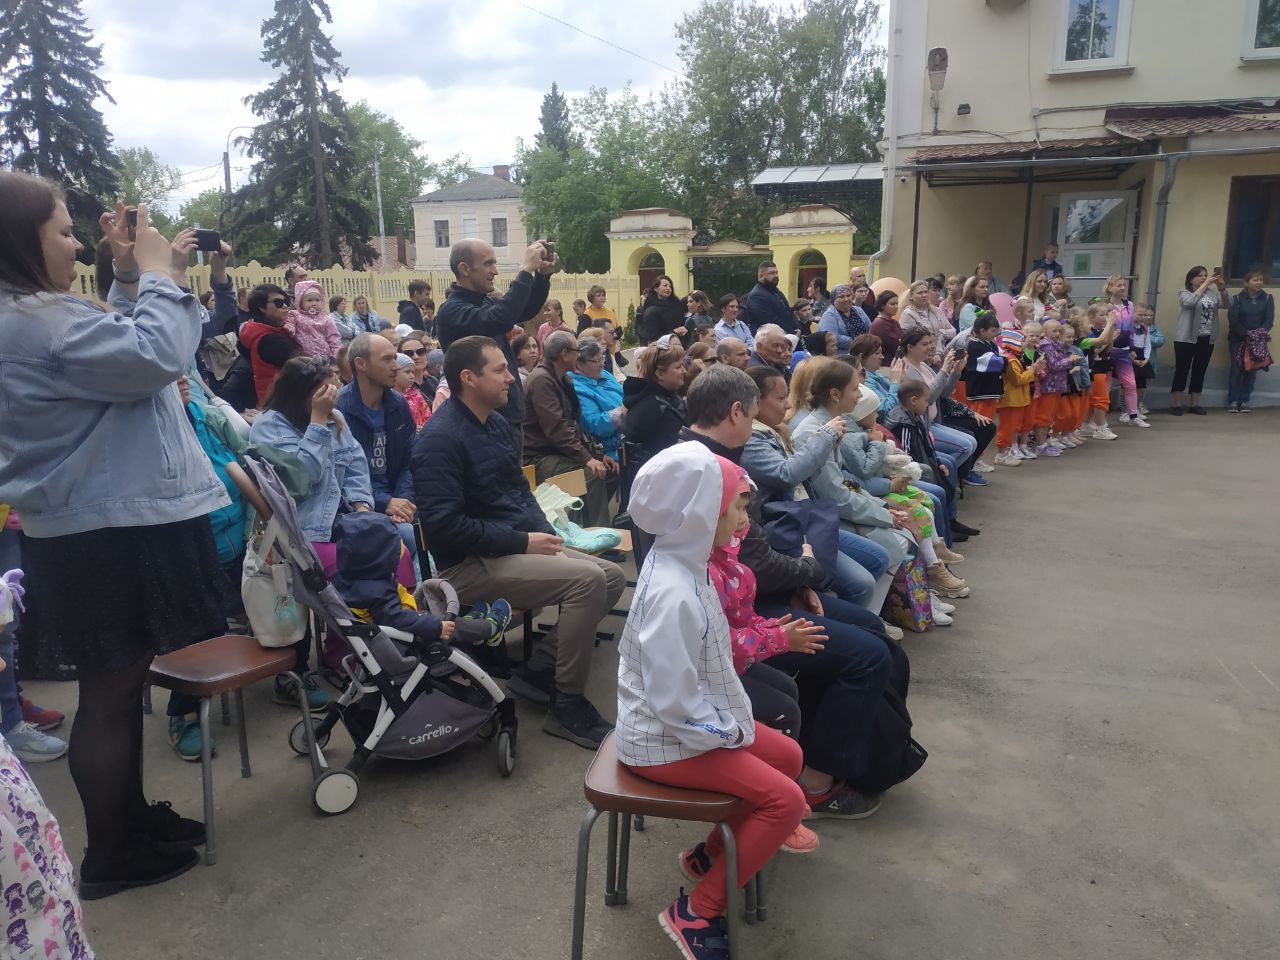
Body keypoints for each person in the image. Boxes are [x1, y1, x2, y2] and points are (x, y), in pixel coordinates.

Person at [0, 182, 230, 896]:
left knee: (121, 688)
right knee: (106, 696)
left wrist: (128, 278)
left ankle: (129, 820)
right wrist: (161, 276)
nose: (78, 246)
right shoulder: (33, 324)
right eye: (64, 232)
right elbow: (153, 359)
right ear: (19, 241)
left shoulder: (36, 317)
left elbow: (117, 357)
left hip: (102, 523)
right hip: (102, 530)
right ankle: (112, 852)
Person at [676, 366, 902, 813]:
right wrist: (808, 571)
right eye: (756, 410)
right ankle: (817, 781)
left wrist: (800, 579)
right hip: (733, 614)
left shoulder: (701, 456)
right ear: (737, 412)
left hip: (746, 595)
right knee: (869, 656)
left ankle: (829, 752)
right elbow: (750, 562)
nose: (771, 414)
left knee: (870, 629)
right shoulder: (711, 469)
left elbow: (749, 555)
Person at [615, 443, 809, 959]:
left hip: (682, 722)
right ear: (703, 511)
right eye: (739, 508)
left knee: (789, 756)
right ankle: (697, 912)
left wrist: (731, 725)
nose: (746, 519)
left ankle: (711, 855)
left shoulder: (688, 560)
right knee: (786, 800)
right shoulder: (674, 593)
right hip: (661, 739)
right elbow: (674, 704)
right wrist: (732, 732)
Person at [412, 336, 625, 748]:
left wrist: (547, 535)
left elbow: (518, 493)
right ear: (468, 378)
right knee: (588, 581)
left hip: (507, 549)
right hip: (467, 566)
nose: (512, 377)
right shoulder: (439, 440)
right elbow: (444, 527)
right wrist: (523, 542)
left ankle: (539, 669)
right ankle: (566, 705)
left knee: (612, 576)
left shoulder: (493, 424)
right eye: (500, 370)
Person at [251, 357, 374, 711]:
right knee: (359, 566)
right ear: (299, 394)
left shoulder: (335, 418)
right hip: (299, 533)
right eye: (323, 393)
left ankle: (354, 651)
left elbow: (355, 465)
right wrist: (318, 422)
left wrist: (362, 505)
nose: (331, 399)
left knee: (398, 546)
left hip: (339, 522)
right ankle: (332, 659)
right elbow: (300, 481)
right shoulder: (270, 426)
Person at [740, 365, 897, 613]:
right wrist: (885, 510)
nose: (787, 405)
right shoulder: (802, 431)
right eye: (780, 398)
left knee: (881, 556)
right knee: (867, 577)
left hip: (813, 515)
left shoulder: (781, 430)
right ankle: (848, 619)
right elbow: (790, 475)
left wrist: (883, 505)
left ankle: (865, 615)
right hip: (796, 524)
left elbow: (843, 478)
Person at [435, 238, 554, 444]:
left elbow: (525, 309)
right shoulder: (452, 311)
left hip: (507, 416)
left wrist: (542, 276)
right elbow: (499, 318)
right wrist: (526, 270)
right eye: (488, 264)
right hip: (483, 423)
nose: (495, 271)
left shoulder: (484, 301)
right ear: (464, 269)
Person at [335, 333, 421, 569]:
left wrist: (402, 502)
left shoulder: (398, 403)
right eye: (387, 359)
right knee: (406, 536)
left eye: (395, 358)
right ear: (360, 364)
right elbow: (338, 475)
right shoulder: (338, 410)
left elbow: (409, 460)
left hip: (399, 499)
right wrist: (385, 503)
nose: (396, 366)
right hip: (356, 507)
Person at [522, 330, 613, 527]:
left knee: (605, 467)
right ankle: (599, 534)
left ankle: (588, 527)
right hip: (539, 458)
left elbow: (572, 425)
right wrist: (587, 459)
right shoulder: (542, 380)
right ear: (564, 354)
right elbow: (557, 430)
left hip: (558, 452)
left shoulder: (563, 378)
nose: (579, 355)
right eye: (576, 351)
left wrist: (595, 453)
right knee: (593, 475)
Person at [621, 337, 689, 500]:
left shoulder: (656, 397)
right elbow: (679, 456)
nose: (685, 371)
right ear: (659, 373)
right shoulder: (657, 409)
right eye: (678, 367)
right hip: (656, 492)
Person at [1171, 265, 1231, 416]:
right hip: (1186, 338)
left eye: (1205, 275)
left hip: (1206, 338)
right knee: (1182, 370)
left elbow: (1228, 304)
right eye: (1200, 276)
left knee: (1200, 371)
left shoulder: (1212, 293)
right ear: (1191, 279)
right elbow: (1188, 303)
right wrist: (1204, 286)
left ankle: (1194, 404)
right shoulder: (1184, 292)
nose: (1204, 278)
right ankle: (1177, 404)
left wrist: (1222, 288)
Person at [238, 283, 301, 405]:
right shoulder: (269, 339)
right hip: (284, 402)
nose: (285, 306)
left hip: (279, 399)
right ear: (261, 307)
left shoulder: (265, 331)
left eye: (286, 301)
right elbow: (302, 366)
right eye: (278, 303)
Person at [569, 336, 624, 468]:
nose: (602, 364)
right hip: (611, 451)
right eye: (597, 360)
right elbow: (595, 424)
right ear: (580, 364)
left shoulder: (605, 375)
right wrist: (622, 411)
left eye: (602, 358)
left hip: (628, 436)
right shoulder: (577, 387)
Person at [1227, 269, 1274, 412]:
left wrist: (1258, 334)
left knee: (1251, 370)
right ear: (1246, 283)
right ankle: (1233, 401)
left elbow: (1269, 319)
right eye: (1255, 280)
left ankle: (1244, 401)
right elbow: (1233, 319)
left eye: (1261, 280)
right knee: (1236, 369)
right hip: (1238, 339)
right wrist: (1246, 334)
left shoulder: (1268, 298)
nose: (1259, 282)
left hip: (1257, 341)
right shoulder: (1237, 299)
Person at [285, 279, 341, 359]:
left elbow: (334, 337)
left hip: (324, 356)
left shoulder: (326, 318)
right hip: (303, 358)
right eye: (309, 300)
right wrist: (290, 328)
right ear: (301, 302)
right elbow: (289, 324)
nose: (314, 303)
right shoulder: (295, 315)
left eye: (317, 300)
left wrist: (336, 354)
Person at [900, 279, 956, 356]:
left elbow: (951, 332)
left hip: (938, 355)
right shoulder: (908, 314)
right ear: (911, 297)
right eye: (920, 293)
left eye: (926, 292)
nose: (924, 295)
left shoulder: (935, 310)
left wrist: (938, 353)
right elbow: (911, 341)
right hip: (920, 357)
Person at [744, 260, 799, 335]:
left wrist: (797, 328)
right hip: (768, 337)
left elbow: (788, 312)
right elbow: (770, 320)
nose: (776, 275)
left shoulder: (776, 292)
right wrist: (791, 332)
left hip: (786, 335)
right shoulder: (756, 296)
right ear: (761, 276)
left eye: (776, 272)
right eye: (772, 273)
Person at [818, 283, 871, 350]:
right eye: (841, 297)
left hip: (863, 350)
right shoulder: (829, 315)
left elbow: (870, 328)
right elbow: (832, 337)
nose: (846, 299)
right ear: (833, 300)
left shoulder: (859, 310)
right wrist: (858, 342)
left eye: (848, 295)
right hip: (840, 353)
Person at [638, 274, 686, 345]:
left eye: (670, 286)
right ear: (656, 289)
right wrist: (674, 331)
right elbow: (652, 337)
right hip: (661, 347)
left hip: (680, 345)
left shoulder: (677, 305)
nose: (668, 288)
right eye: (665, 285)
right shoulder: (651, 311)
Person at [869, 291, 904, 360]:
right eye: (892, 304)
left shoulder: (894, 322)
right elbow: (895, 346)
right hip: (886, 362)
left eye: (897, 303)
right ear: (882, 306)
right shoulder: (879, 324)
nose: (896, 306)